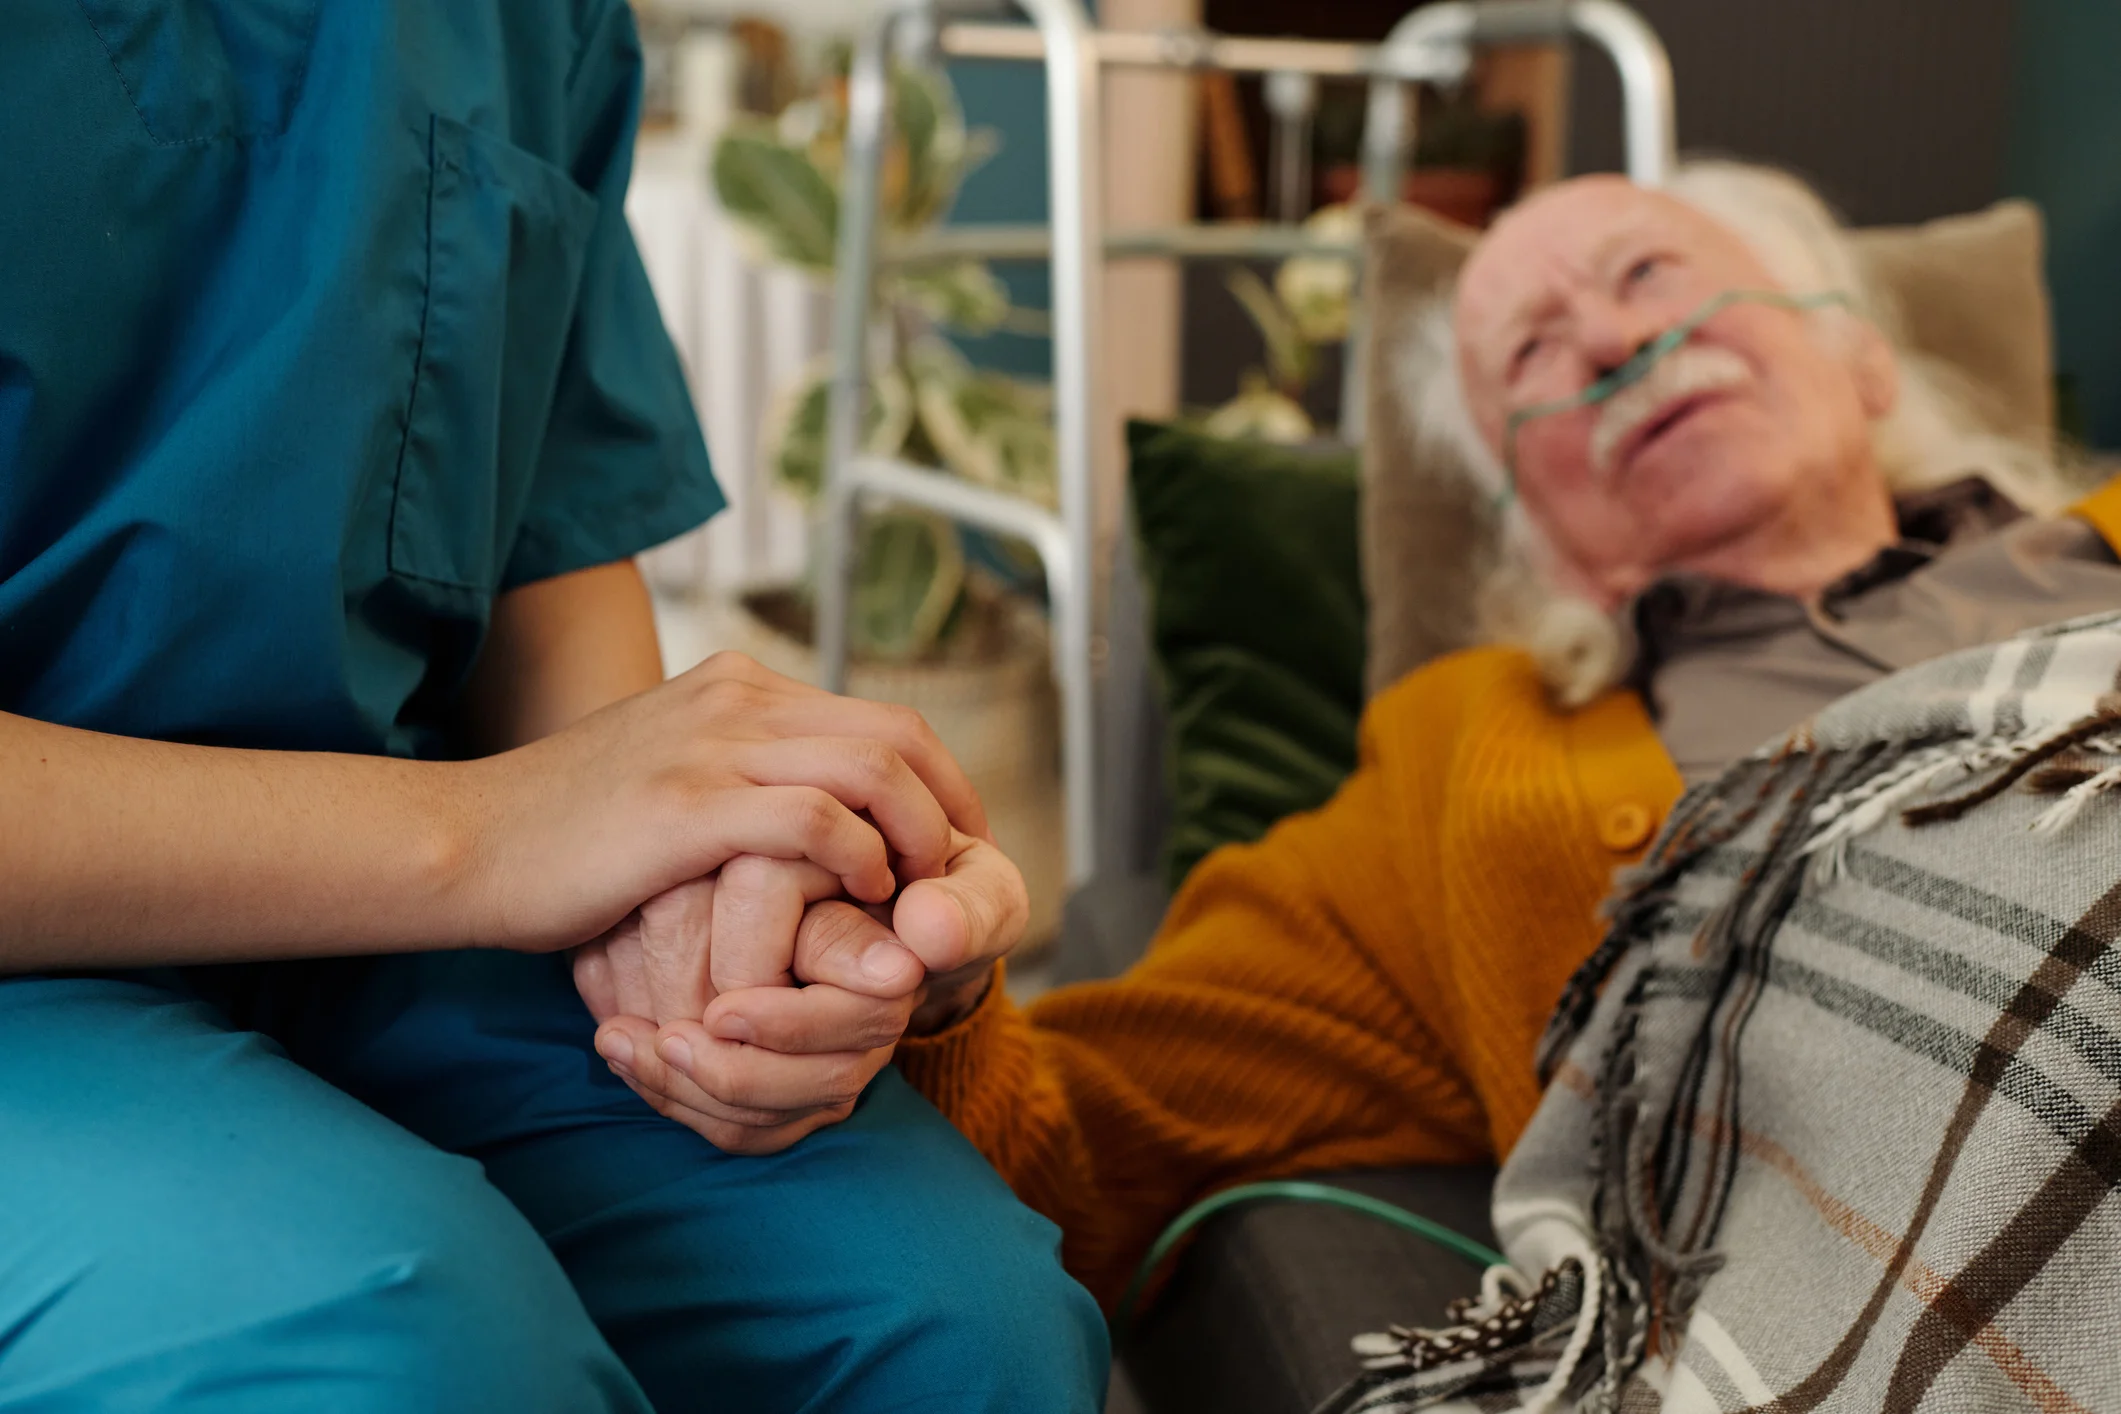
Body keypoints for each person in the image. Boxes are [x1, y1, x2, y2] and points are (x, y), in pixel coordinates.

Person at [683, 162, 2121, 1324]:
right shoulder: (1470, 772)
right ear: (1540, 525)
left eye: (1648, 274)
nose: (1612, 344)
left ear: (1858, 353)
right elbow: (1086, 1140)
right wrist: (925, 974)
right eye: (1536, 356)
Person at [0, 4, 1104, 1411]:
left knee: (960, 1325)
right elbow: (514, 823)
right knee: (415, 1355)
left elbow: (545, 529)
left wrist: (705, 926)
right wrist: (491, 831)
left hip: (396, 940)